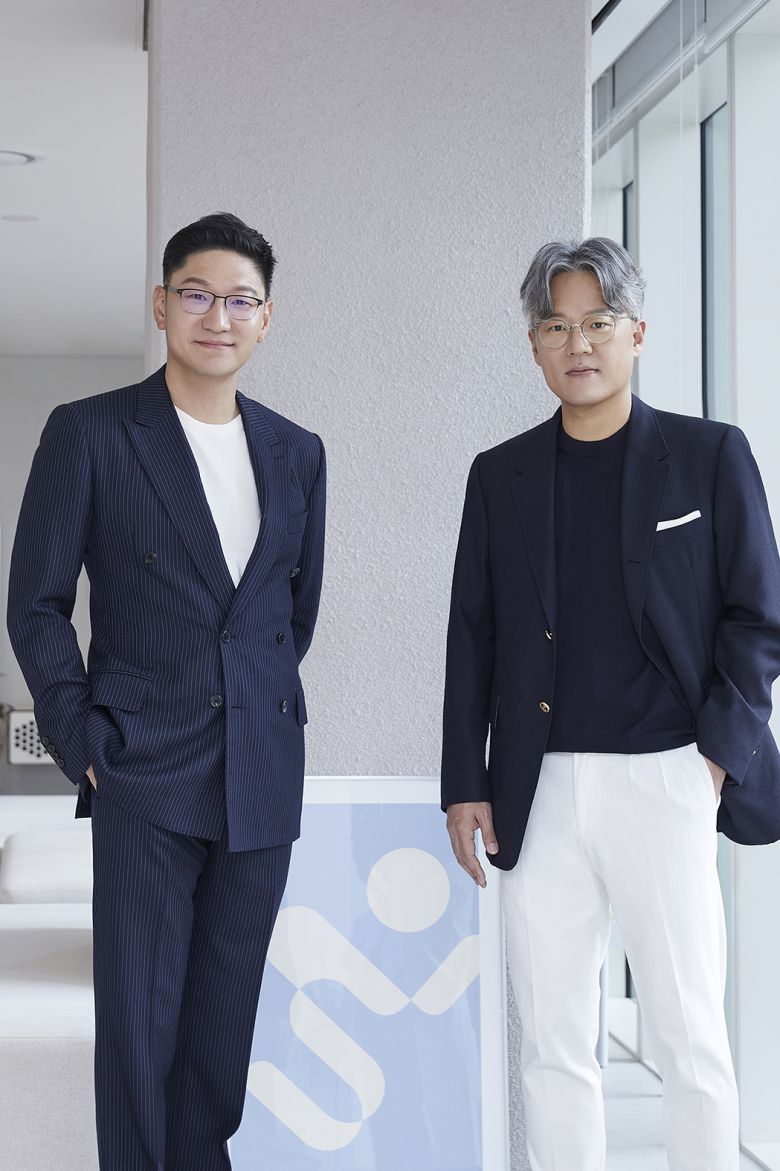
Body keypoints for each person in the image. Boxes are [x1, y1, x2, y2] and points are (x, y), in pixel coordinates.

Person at [441, 237, 780, 1170]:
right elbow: (472, 632)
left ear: (637, 332)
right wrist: (465, 780)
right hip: (537, 787)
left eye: (597, 321)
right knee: (553, 1044)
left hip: (667, 774)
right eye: (556, 326)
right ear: (534, 346)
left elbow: (758, 615)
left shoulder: (709, 456)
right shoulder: (499, 473)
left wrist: (713, 760)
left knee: (689, 1035)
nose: (578, 343)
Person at [7, 212, 326, 1170]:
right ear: (161, 304)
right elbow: (35, 604)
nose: (217, 317)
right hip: (141, 771)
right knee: (140, 1041)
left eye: (240, 300)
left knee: (217, 1051)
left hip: (260, 778)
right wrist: (85, 742)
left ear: (266, 317)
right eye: (196, 294)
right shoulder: (92, 433)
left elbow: (288, 617)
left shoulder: (298, 451)